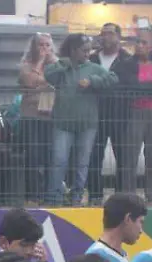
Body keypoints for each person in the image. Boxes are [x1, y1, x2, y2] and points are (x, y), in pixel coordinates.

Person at [43, 34, 116, 206]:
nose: (87, 53)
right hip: (63, 122)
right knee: (59, 160)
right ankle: (55, 197)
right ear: (73, 50)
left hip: (87, 123)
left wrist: (92, 81)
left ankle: (76, 196)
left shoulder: (94, 68)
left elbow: (113, 78)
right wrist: (63, 64)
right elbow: (48, 75)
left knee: (82, 163)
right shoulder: (62, 67)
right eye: (83, 50)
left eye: (88, 50)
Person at [113, 28, 152, 203]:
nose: (139, 45)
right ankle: (129, 196)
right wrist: (151, 87)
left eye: (144, 42)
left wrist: (149, 88)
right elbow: (129, 86)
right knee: (130, 156)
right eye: (138, 41)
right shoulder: (126, 64)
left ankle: (151, 195)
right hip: (134, 113)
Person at [85, 23, 131, 206]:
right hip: (96, 113)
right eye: (103, 33)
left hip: (120, 113)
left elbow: (126, 82)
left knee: (122, 156)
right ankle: (95, 195)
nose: (106, 37)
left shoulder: (127, 59)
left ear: (119, 37)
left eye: (110, 33)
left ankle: (120, 197)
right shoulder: (93, 58)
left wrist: (98, 83)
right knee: (94, 156)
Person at [18, 32, 56, 205]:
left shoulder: (56, 64)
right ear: (33, 46)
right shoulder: (26, 64)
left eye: (47, 45)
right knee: (32, 155)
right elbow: (29, 81)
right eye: (41, 45)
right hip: (30, 116)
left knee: (50, 156)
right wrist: (40, 63)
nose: (44, 49)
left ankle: (49, 193)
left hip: (49, 117)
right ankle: (32, 195)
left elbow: (55, 83)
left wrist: (42, 80)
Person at [86, 193, 146, 262]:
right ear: (127, 219)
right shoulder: (98, 257)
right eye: (140, 222)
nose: (141, 230)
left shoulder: (118, 254)